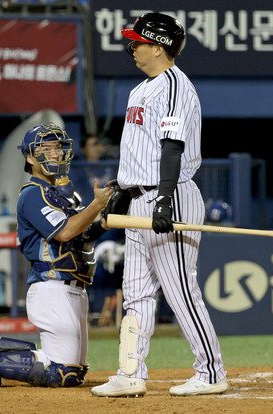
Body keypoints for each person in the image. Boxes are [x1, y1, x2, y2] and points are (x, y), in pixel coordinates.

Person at [91, 13, 228, 398]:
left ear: (158, 46)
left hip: (170, 195)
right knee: (135, 292)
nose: (132, 47)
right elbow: (142, 151)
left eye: (138, 41)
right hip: (139, 200)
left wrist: (165, 198)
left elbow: (173, 146)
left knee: (181, 289)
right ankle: (131, 371)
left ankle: (212, 372)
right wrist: (121, 188)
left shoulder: (172, 86)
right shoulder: (141, 90)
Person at [0, 123, 114, 390]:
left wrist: (105, 218)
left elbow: (83, 235)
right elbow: (66, 232)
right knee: (62, 373)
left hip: (76, 289)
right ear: (30, 157)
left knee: (75, 373)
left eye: (58, 148)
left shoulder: (67, 195)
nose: (55, 154)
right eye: (46, 148)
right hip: (51, 287)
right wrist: (96, 205)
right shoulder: (32, 194)